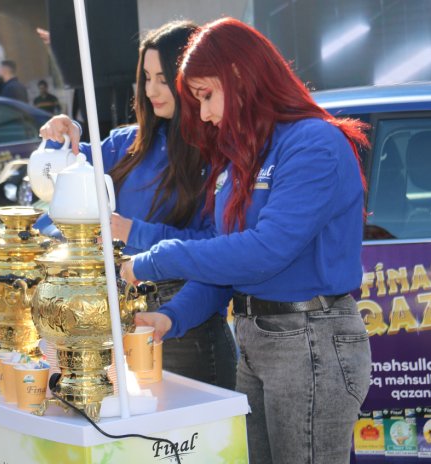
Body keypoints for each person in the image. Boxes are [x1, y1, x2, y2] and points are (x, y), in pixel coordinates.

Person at [120, 18, 372, 463]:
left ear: (240, 77)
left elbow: (264, 252)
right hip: (258, 339)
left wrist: (157, 259)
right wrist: (171, 318)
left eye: (207, 95)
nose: (204, 114)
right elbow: (226, 263)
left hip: (311, 341)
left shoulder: (313, 143)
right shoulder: (241, 158)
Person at [38, 21, 236, 388]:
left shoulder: (221, 154)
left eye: (163, 78)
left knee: (189, 441)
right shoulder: (126, 143)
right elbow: (63, 191)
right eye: (146, 77)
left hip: (184, 322)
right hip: (114, 316)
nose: (151, 90)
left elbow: (218, 250)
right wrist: (60, 139)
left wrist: (133, 232)